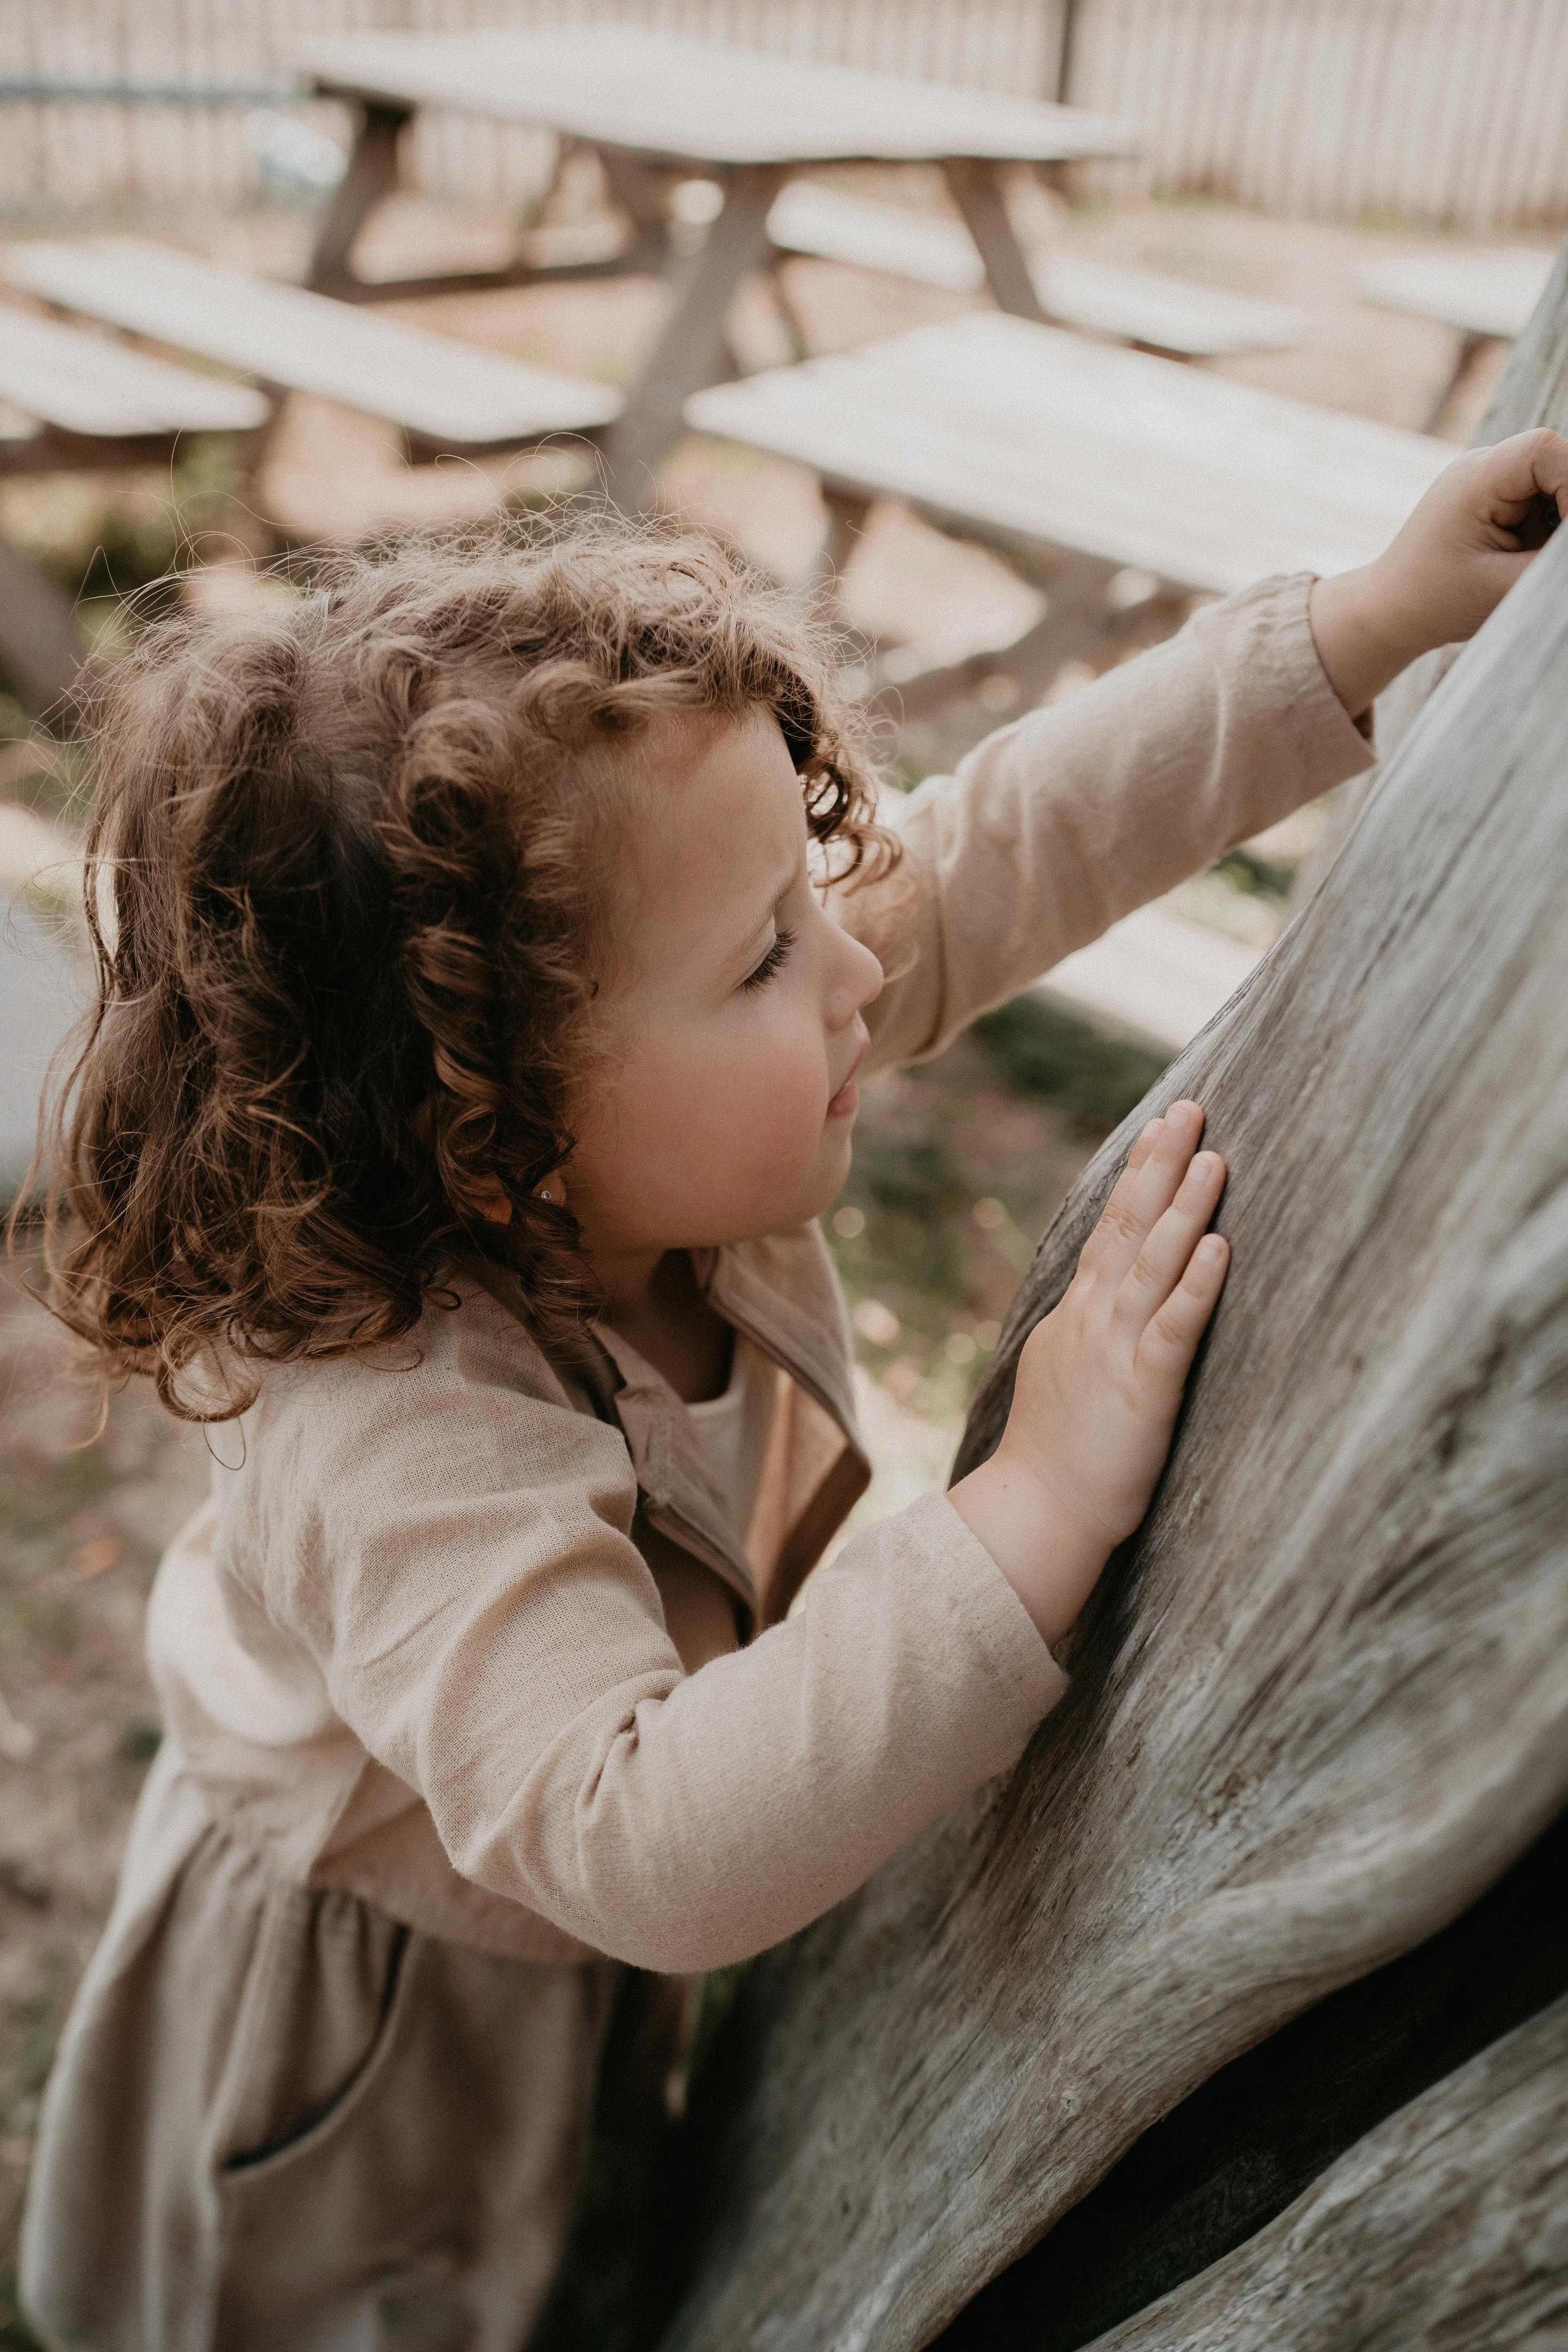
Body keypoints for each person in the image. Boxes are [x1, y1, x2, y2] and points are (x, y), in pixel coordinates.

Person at [19, 429, 1567, 2351]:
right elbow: (632, 1834)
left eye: (808, 885)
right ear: (490, 1129)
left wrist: (1362, 623)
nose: (851, 963)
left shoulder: (647, 1104)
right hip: (364, 2037)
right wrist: (1030, 1510)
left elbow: (998, 844)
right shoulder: (385, 1421)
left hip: (540, 1940)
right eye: (765, 953)